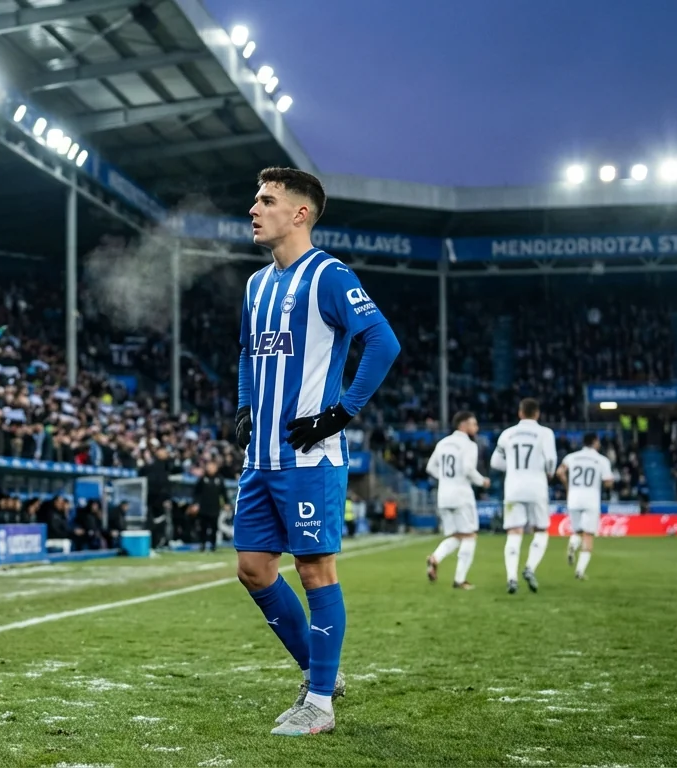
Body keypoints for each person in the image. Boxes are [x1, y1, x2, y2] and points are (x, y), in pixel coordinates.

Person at [232, 167, 400, 737]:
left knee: (314, 570)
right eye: (255, 199)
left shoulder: (329, 275)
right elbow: (248, 354)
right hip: (262, 457)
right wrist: (245, 406)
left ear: (300, 213)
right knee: (253, 569)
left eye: (267, 200)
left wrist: (341, 413)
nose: (254, 209)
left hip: (310, 458)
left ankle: (320, 704)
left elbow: (383, 341)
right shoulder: (257, 285)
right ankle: (318, 671)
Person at [491, 398, 558, 594]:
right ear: (537, 414)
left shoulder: (507, 434)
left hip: (513, 488)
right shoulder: (545, 433)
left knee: (514, 532)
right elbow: (552, 460)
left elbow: (495, 463)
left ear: (520, 413)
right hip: (537, 487)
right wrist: (549, 472)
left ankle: (511, 578)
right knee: (541, 529)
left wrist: (511, 467)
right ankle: (529, 567)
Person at [424, 411, 490, 589]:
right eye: (473, 424)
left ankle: (435, 558)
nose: (476, 428)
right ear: (463, 425)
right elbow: (468, 469)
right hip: (461, 494)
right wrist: (482, 481)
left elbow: (430, 467)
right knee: (470, 535)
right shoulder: (469, 445)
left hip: (444, 495)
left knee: (457, 536)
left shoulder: (443, 443)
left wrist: (446, 479)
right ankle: (460, 580)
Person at [556, 433, 615, 580]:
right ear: (595, 442)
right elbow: (608, 482)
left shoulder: (571, 457)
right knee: (588, 535)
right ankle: (580, 571)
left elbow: (559, 472)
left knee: (577, 531)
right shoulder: (601, 460)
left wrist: (568, 485)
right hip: (591, 499)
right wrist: (607, 483)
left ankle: (572, 544)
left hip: (574, 498)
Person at [193, 460, 229, 552]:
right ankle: (202, 545)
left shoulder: (219, 479)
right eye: (208, 467)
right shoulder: (203, 479)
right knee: (203, 528)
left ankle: (213, 546)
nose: (210, 469)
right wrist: (196, 504)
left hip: (215, 507)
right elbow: (196, 493)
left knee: (214, 528)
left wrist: (226, 503)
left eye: (212, 467)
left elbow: (224, 493)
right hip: (204, 507)